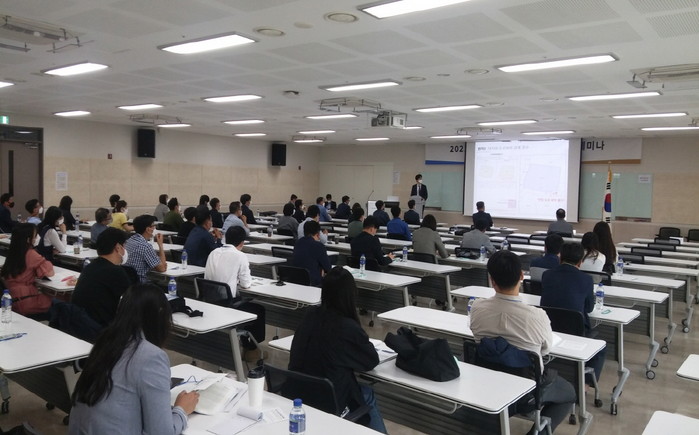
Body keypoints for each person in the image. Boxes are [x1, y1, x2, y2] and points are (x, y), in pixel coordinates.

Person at [69, 284, 200, 434]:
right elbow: (162, 432)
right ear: (160, 315)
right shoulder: (152, 356)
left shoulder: (105, 341)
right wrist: (182, 410)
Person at [470, 251, 576, 434]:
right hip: (527, 393)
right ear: (521, 276)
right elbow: (545, 350)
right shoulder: (536, 316)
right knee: (569, 393)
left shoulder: (477, 308)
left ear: (491, 280)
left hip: (488, 386)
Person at [289, 267, 388, 433]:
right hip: (329, 402)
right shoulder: (347, 327)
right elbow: (371, 361)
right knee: (367, 393)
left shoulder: (310, 315)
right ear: (351, 295)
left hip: (297, 394)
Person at [541, 242, 606, 383]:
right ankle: (586, 385)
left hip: (549, 329)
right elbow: (589, 308)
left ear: (560, 258)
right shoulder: (586, 280)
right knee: (601, 349)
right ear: (580, 262)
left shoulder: (547, 275)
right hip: (576, 332)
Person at [204, 226, 267, 361]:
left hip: (210, 303)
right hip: (227, 305)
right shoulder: (240, 256)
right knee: (259, 310)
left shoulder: (213, 252)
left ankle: (246, 346)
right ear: (242, 243)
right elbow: (246, 284)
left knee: (245, 304)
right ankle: (252, 350)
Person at [72, 228, 131, 328]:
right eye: (124, 245)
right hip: (99, 329)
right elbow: (133, 301)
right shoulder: (115, 272)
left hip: (79, 324)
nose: (126, 250)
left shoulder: (90, 267)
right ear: (118, 247)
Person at [0, 223, 57, 318]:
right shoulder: (31, 254)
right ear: (28, 239)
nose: (37, 238)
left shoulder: (12, 252)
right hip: (26, 300)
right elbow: (49, 272)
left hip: (12, 300)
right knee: (60, 303)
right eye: (35, 236)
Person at [125, 215, 167, 282]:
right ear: (148, 229)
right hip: (141, 283)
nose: (154, 228)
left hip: (128, 281)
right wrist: (160, 245)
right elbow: (162, 268)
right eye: (153, 226)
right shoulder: (145, 246)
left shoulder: (128, 241)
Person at [292, 220, 331, 287]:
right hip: (313, 283)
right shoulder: (319, 246)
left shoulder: (297, 243)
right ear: (318, 234)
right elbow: (328, 268)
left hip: (297, 281)